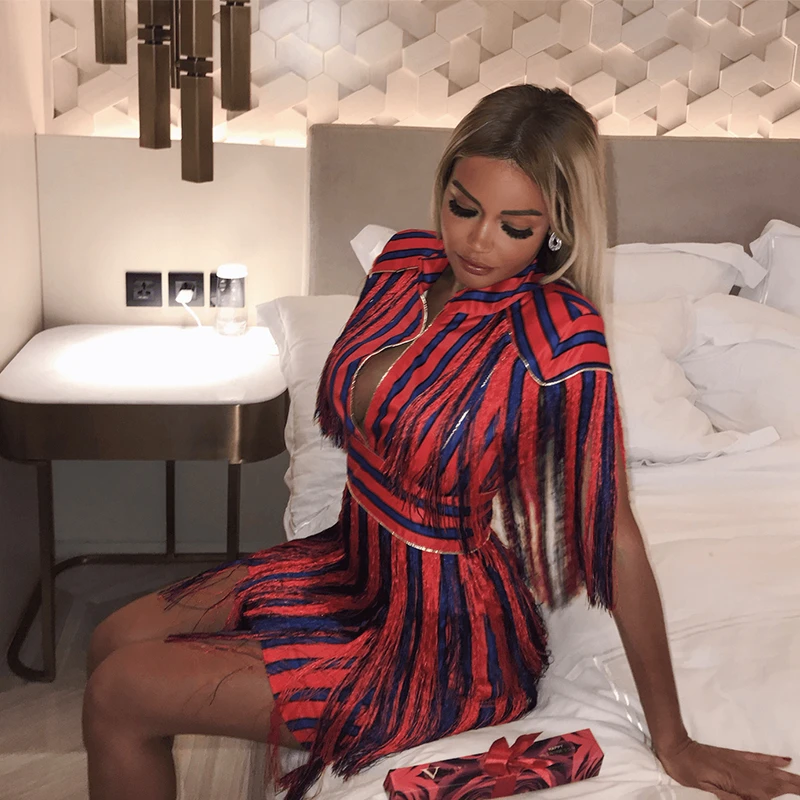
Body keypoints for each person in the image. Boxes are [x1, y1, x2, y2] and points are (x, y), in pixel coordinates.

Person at [82, 85, 800, 800]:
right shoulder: (401, 264)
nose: (478, 242)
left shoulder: (559, 336)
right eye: (463, 208)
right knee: (113, 636)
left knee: (122, 691)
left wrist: (674, 740)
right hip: (349, 563)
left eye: (514, 226)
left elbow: (613, 536)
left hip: (443, 638)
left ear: (555, 227)